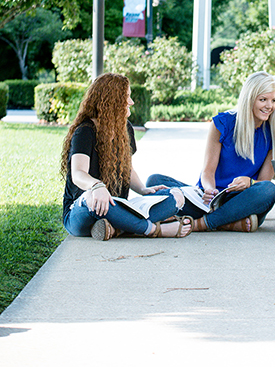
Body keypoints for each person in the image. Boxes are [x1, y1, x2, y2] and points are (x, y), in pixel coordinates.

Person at [146, 71, 275, 232]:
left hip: (242, 201)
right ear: (249, 100)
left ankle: (202, 223)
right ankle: (228, 222)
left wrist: (249, 182)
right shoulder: (223, 123)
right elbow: (207, 171)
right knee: (155, 182)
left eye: (273, 100)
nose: (269, 106)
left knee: (269, 190)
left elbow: (264, 183)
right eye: (263, 100)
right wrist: (209, 190)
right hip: (209, 198)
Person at [61, 73, 194, 241]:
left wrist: (143, 190)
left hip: (118, 206)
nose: (131, 102)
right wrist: (96, 187)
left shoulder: (126, 129)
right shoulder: (85, 131)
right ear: (112, 101)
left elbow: (127, 169)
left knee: (175, 197)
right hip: (83, 209)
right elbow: (78, 173)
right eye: (127, 97)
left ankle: (115, 228)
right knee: (94, 200)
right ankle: (153, 230)